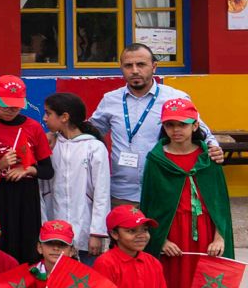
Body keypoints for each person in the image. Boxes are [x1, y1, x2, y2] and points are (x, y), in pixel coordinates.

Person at [140, 98, 240, 288]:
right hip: (172, 237)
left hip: (204, 236)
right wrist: (160, 240)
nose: (176, 130)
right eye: (170, 124)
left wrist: (220, 236)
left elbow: (219, 202)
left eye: (182, 124)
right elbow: (150, 205)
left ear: (195, 125)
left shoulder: (209, 159)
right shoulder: (156, 160)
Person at [89, 43, 223, 207]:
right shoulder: (110, 100)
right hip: (122, 193)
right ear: (121, 68)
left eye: (141, 64)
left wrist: (214, 148)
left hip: (164, 191)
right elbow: (91, 132)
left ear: (154, 67)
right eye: (128, 66)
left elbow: (201, 131)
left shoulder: (175, 98)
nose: (135, 70)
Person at [0, 76, 53, 263]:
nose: (11, 110)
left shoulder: (33, 127)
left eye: (16, 106)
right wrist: (0, 165)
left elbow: (48, 170)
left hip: (26, 196)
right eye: (5, 105)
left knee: (27, 244)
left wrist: (28, 170)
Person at [41, 93, 111, 264]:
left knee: (84, 279)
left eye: (48, 113)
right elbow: (42, 190)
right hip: (54, 232)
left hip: (85, 232)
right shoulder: (49, 145)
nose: (44, 118)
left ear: (64, 117)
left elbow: (102, 193)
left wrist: (97, 233)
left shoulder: (94, 147)